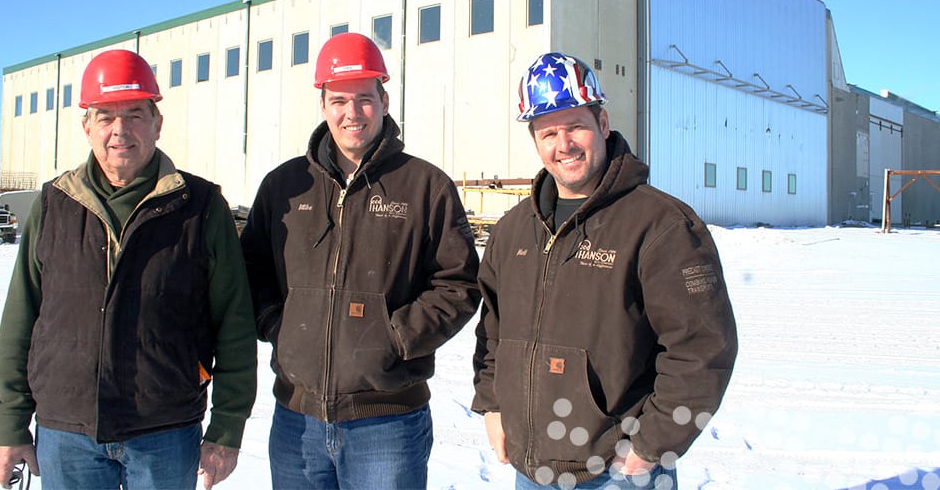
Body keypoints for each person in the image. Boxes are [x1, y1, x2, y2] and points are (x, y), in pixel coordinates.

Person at [0, 49, 258, 490]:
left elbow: (234, 324)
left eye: (134, 114)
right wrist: (10, 422)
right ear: (86, 126)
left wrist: (227, 430)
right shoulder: (54, 204)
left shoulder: (201, 207)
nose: (120, 130)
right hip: (66, 433)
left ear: (157, 122)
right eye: (105, 116)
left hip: (165, 432)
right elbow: (21, 319)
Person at [472, 53, 738, 490]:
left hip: (618, 472)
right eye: (548, 132)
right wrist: (493, 405)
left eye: (575, 126)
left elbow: (705, 346)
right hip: (531, 470)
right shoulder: (514, 229)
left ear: (603, 122)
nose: (564, 145)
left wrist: (654, 445)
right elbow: (494, 329)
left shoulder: (660, 225)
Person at [241, 32, 481, 489]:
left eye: (364, 99)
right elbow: (251, 270)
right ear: (323, 104)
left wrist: (396, 337)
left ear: (384, 100)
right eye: (339, 100)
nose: (352, 113)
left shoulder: (425, 187)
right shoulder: (284, 187)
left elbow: (459, 283)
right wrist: (277, 324)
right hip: (297, 420)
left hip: (387, 423)